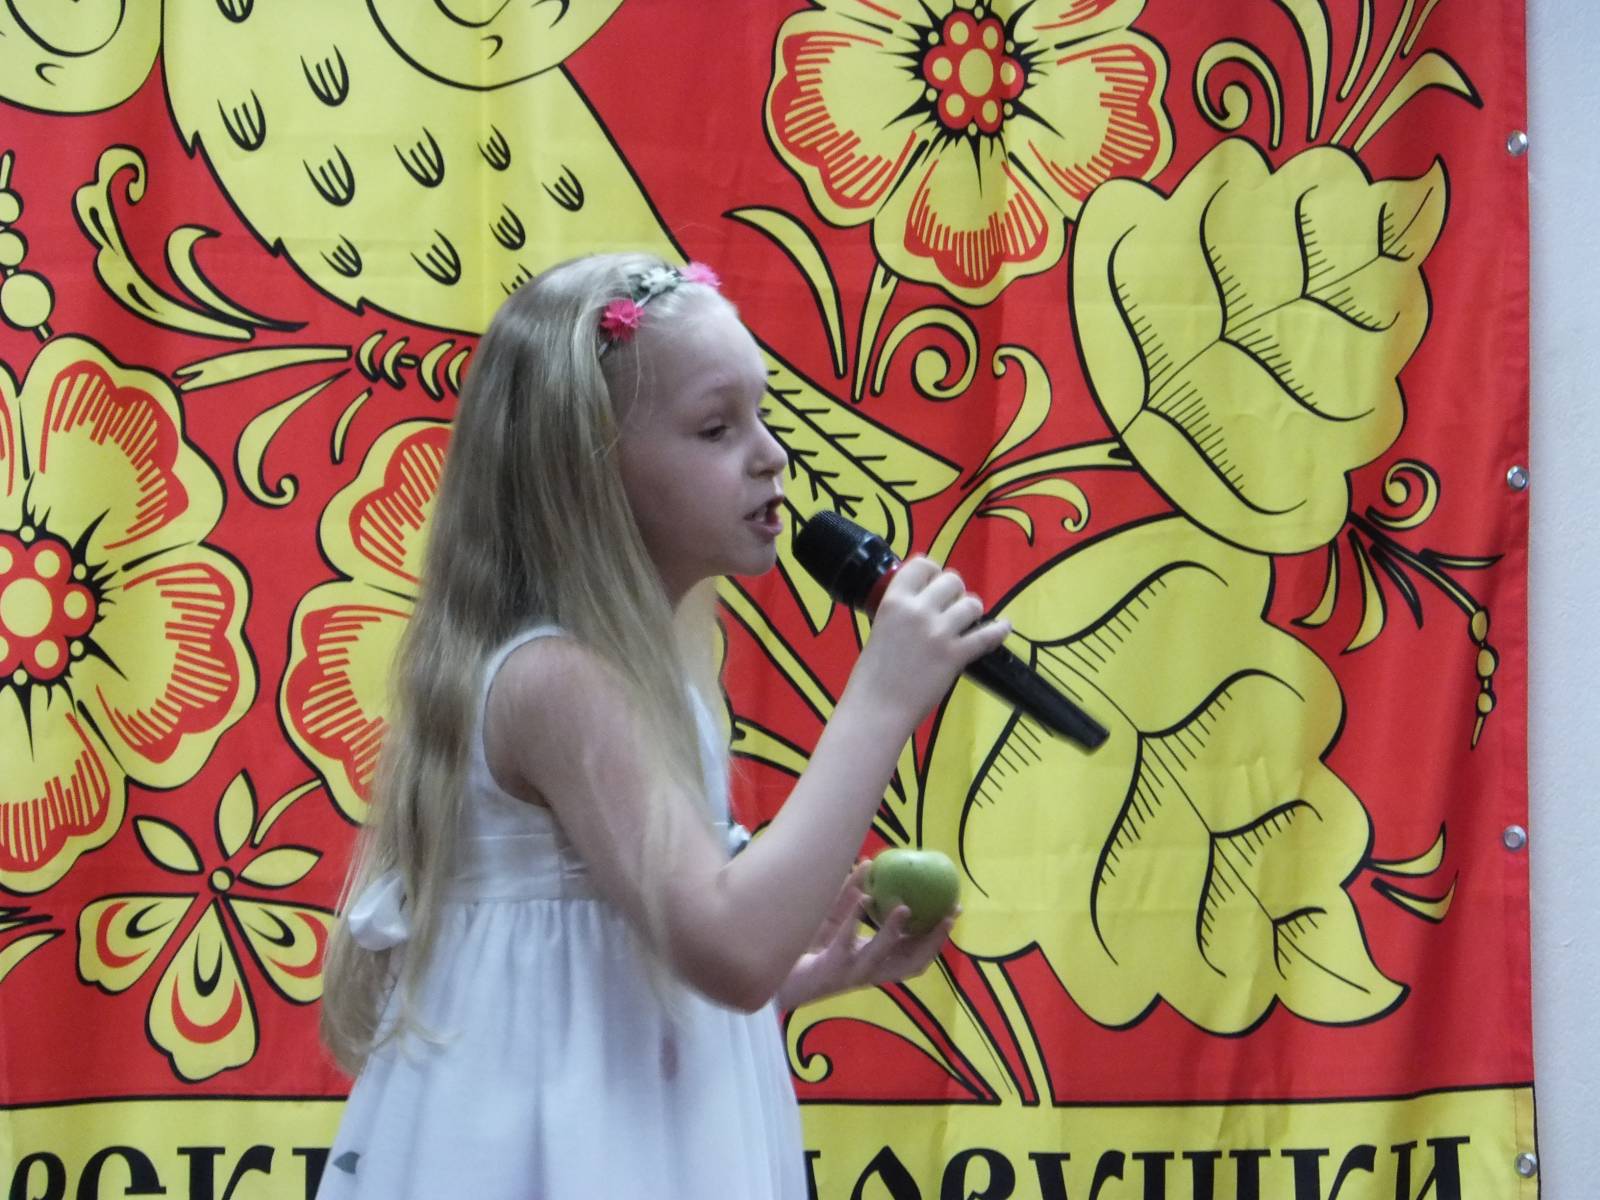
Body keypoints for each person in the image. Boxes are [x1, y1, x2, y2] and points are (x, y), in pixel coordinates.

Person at [314, 253, 1012, 1199]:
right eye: (717, 428)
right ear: (587, 470)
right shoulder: (559, 681)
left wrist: (803, 972)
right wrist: (883, 697)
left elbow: (630, 973)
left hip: (617, 1125)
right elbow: (728, 949)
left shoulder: (637, 681)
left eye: (763, 416)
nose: (770, 455)